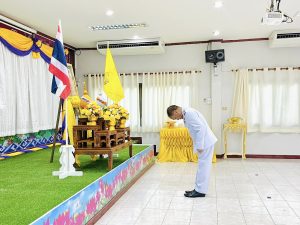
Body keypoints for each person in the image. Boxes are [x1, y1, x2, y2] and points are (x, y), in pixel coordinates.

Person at [167, 105, 217, 198]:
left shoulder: (189, 113)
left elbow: (201, 128)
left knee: (203, 167)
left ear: (175, 112)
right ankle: (198, 189)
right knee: (202, 166)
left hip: (205, 143)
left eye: (175, 118)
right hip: (205, 142)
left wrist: (200, 145)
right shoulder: (188, 112)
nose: (178, 120)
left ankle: (200, 191)